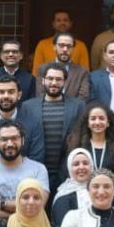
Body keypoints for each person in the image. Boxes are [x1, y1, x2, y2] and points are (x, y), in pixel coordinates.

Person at [19, 63, 85, 193]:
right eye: (50, 78)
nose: (54, 83)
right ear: (43, 80)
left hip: (67, 172)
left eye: (58, 79)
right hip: (36, 171)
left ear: (65, 82)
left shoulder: (78, 106)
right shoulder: (28, 107)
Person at [65, 101, 114, 187]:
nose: (97, 122)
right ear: (88, 123)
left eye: (101, 118)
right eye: (93, 119)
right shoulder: (77, 146)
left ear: (108, 122)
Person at [0, 39, 36, 112]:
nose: (10, 54)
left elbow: (31, 106)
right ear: (1, 56)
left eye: (14, 52)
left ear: (21, 56)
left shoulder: (30, 78)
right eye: (7, 52)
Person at [32, 9, 90, 73]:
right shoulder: (42, 44)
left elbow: (85, 73)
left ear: (70, 24)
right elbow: (36, 73)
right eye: (58, 20)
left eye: (65, 20)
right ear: (53, 24)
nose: (62, 23)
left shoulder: (81, 46)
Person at [37, 31, 90, 102]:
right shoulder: (43, 69)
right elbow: (40, 95)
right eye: (61, 45)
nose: (65, 49)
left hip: (73, 109)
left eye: (69, 46)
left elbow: (83, 98)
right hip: (48, 108)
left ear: (73, 48)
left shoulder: (82, 72)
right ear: (54, 47)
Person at [51, 148, 94, 227]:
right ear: (69, 168)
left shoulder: (99, 191)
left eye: (85, 163)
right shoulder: (63, 196)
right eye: (76, 164)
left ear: (91, 166)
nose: (81, 167)